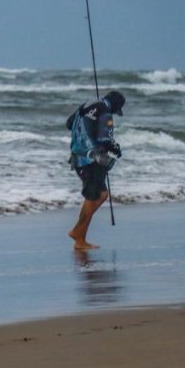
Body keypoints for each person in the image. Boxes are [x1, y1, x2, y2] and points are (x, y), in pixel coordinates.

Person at [67, 90, 125, 250]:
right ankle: (78, 234)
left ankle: (79, 237)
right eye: (116, 110)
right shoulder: (105, 112)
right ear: (115, 106)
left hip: (77, 157)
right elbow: (104, 139)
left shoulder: (85, 106)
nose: (114, 113)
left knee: (96, 196)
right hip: (92, 159)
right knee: (97, 196)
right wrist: (115, 148)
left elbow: (69, 124)